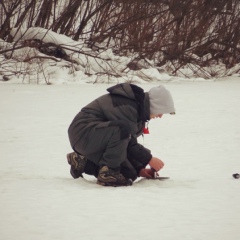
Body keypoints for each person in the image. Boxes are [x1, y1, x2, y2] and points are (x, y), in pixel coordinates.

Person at [67, 83, 175, 187]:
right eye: (161, 111)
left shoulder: (138, 112)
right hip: (82, 133)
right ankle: (108, 173)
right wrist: (149, 159)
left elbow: (123, 145)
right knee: (121, 129)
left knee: (128, 174)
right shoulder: (127, 105)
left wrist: (139, 170)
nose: (160, 116)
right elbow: (128, 140)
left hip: (95, 137)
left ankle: (82, 162)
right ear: (154, 104)